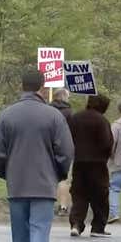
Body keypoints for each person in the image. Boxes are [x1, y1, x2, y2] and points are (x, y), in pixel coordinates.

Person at [0, 69, 74, 242]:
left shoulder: (7, 115)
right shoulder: (53, 116)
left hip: (17, 183)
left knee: (20, 234)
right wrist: (58, 172)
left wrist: (5, 171)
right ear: (42, 87)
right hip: (44, 183)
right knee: (39, 232)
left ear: (21, 85)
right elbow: (66, 150)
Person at [68, 94, 114, 238]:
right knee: (100, 196)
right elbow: (107, 143)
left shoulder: (75, 118)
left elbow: (67, 138)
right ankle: (98, 227)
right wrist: (106, 155)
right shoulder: (102, 121)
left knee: (79, 194)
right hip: (98, 164)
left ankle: (76, 223)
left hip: (79, 162)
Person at [50, 88, 73, 216]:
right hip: (64, 148)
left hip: (48, 148)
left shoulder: (47, 110)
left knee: (49, 177)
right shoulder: (69, 112)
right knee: (64, 179)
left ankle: (48, 204)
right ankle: (63, 207)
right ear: (64, 97)